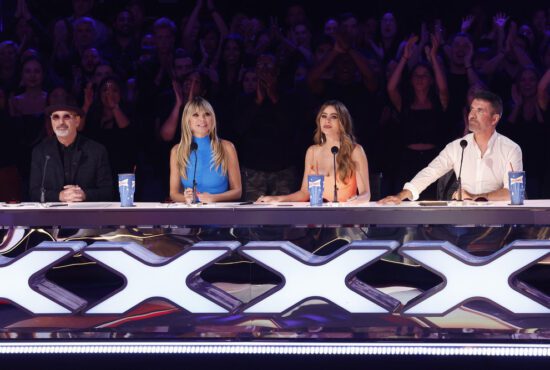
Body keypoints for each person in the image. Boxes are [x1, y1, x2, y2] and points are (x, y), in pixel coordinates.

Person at [379, 90, 522, 204]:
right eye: (471, 109)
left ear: (494, 119)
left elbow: (512, 192)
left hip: (496, 221)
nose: (472, 115)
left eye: (480, 110)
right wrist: (401, 195)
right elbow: (431, 172)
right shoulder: (458, 147)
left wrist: (475, 197)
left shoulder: (510, 149)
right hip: (463, 220)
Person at [258, 100, 370, 203]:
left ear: (343, 121)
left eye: (334, 117)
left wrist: (357, 200)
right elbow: (305, 193)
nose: (327, 120)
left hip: (346, 217)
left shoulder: (355, 151)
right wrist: (278, 198)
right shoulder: (312, 152)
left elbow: (366, 194)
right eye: (324, 116)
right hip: (318, 218)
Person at [29, 103, 113, 202]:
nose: (61, 122)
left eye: (66, 117)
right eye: (56, 117)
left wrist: (84, 195)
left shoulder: (96, 151)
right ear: (51, 121)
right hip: (52, 215)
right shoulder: (40, 152)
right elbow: (34, 192)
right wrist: (59, 196)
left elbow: (108, 192)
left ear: (77, 121)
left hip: (87, 214)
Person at [169, 96, 241, 203]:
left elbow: (237, 191)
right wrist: (185, 198)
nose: (202, 119)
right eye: (195, 115)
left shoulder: (227, 147)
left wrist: (214, 198)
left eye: (207, 114)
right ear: (187, 120)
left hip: (219, 212)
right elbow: (173, 194)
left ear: (212, 118)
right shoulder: (177, 151)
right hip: (190, 213)